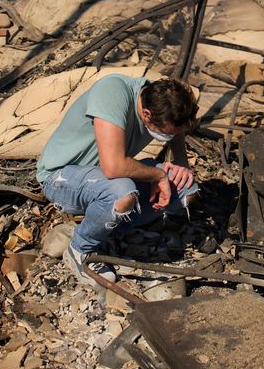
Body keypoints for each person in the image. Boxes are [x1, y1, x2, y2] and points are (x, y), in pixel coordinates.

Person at [36, 74, 199, 286]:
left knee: (187, 188)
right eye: (165, 134)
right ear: (147, 115)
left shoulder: (162, 98)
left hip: (104, 177)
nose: (168, 138)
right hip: (61, 177)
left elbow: (177, 130)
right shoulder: (113, 92)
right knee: (122, 192)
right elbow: (113, 167)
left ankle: (112, 233)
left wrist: (181, 164)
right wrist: (159, 175)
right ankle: (79, 250)